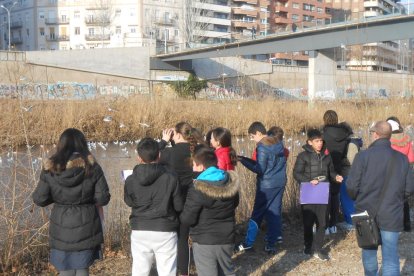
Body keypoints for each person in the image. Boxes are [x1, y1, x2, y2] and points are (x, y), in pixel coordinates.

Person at [32, 128, 111, 276]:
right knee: (82, 269)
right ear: (83, 144)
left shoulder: (50, 168)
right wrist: (87, 198)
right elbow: (103, 198)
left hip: (61, 227)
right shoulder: (92, 166)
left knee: (65, 269)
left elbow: (39, 199)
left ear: (60, 144)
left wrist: (57, 197)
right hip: (87, 225)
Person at [347, 121, 414, 276]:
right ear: (389, 136)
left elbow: (351, 186)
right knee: (390, 257)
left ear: (375, 134)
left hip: (365, 211)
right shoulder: (402, 159)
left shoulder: (362, 156)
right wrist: (397, 200)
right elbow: (409, 188)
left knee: (369, 253)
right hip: (392, 212)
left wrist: (358, 199)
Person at [124, 138, 183, 276]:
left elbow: (129, 201)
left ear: (139, 157)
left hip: (140, 228)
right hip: (165, 229)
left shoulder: (130, 179)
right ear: (159, 155)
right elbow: (179, 206)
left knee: (140, 270)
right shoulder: (171, 177)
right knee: (167, 271)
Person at [180, 145, 239, 276]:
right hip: (227, 237)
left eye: (194, 165)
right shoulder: (230, 181)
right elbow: (235, 203)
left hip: (204, 240)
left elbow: (187, 218)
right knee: (227, 272)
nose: (193, 168)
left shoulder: (197, 188)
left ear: (201, 167)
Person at [236, 122, 287, 254]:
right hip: (279, 183)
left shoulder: (262, 147)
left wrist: (243, 161)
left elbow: (260, 169)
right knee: (274, 212)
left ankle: (248, 243)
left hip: (266, 186)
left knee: (257, 214)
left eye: (253, 136)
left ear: (259, 133)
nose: (253, 140)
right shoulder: (278, 143)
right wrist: (244, 158)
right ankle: (271, 244)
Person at [293, 129, 343, 261]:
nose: (320, 143)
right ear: (310, 142)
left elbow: (331, 172)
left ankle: (318, 249)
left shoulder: (327, 156)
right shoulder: (303, 156)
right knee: (308, 222)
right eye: (317, 141)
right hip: (308, 191)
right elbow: (296, 174)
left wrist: (336, 176)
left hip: (323, 191)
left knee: (322, 222)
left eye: (321, 141)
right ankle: (307, 246)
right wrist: (308, 181)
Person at [159, 122, 198, 276]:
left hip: (174, 199)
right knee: (184, 237)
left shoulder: (170, 153)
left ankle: (172, 270)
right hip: (193, 198)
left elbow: (149, 157)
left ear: (179, 135)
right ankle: (185, 272)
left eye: (173, 133)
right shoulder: (197, 150)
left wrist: (163, 141)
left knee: (174, 238)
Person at [322, 110, 355, 233]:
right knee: (335, 195)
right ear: (337, 119)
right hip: (339, 167)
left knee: (324, 196)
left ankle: (324, 225)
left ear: (324, 120)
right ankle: (333, 225)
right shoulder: (345, 134)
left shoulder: (323, 134)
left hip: (325, 167)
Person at [387, 116, 414, 232]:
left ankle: (393, 225)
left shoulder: (388, 142)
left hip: (392, 174)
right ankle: (406, 225)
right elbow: (411, 159)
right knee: (404, 200)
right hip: (405, 173)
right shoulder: (407, 140)